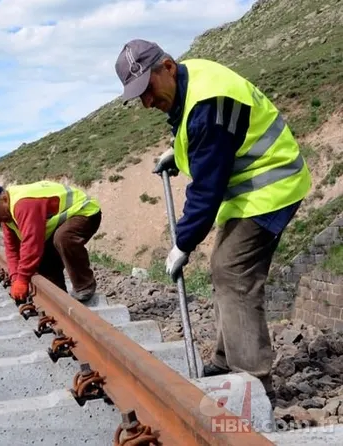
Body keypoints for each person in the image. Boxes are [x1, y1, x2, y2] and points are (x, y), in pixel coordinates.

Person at [115, 39, 311, 402]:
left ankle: (253, 384)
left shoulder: (209, 103)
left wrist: (182, 244)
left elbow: (207, 189)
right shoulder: (192, 79)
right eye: (137, 96)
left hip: (273, 185)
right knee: (225, 267)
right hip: (249, 192)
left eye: (147, 90)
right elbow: (209, 135)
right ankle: (225, 361)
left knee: (233, 272)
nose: (146, 103)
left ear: (168, 67)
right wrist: (178, 151)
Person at [0, 181, 102, 302]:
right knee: (44, 260)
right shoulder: (6, 217)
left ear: (4, 199)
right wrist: (15, 279)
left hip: (85, 211)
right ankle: (59, 300)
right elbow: (12, 250)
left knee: (63, 237)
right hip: (60, 222)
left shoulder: (23, 204)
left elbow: (31, 243)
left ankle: (84, 286)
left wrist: (23, 279)